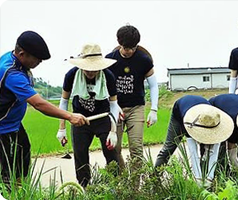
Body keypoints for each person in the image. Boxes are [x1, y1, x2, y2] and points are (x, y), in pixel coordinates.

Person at [0, 31, 88, 186]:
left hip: (13, 125)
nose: (39, 62)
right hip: (3, 129)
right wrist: (70, 116)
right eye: (37, 59)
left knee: (23, 158)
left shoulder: (16, 60)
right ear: (22, 54)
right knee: (8, 172)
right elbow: (38, 104)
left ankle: (20, 191)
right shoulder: (12, 73)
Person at [57, 43, 119, 188]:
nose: (90, 72)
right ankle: (85, 187)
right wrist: (62, 128)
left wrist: (113, 131)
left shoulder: (108, 76)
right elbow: (64, 101)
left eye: (94, 69)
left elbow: (114, 104)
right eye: (87, 68)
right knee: (80, 154)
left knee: (111, 153)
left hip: (103, 117)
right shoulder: (72, 75)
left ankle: (116, 186)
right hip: (79, 119)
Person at [105, 25, 159, 170]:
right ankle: (122, 182)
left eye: (132, 48)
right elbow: (103, 87)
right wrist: (113, 107)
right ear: (119, 43)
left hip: (136, 108)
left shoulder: (144, 60)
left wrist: (154, 110)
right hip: (115, 108)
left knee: (136, 149)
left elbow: (153, 85)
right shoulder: (109, 60)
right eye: (125, 48)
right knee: (114, 149)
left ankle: (135, 188)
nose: (128, 51)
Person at [155, 95, 234, 186]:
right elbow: (194, 154)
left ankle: (206, 180)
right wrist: (198, 180)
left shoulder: (214, 121)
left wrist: (209, 178)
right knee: (169, 148)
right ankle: (155, 180)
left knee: (206, 151)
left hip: (201, 112)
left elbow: (213, 153)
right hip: (181, 112)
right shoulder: (190, 124)